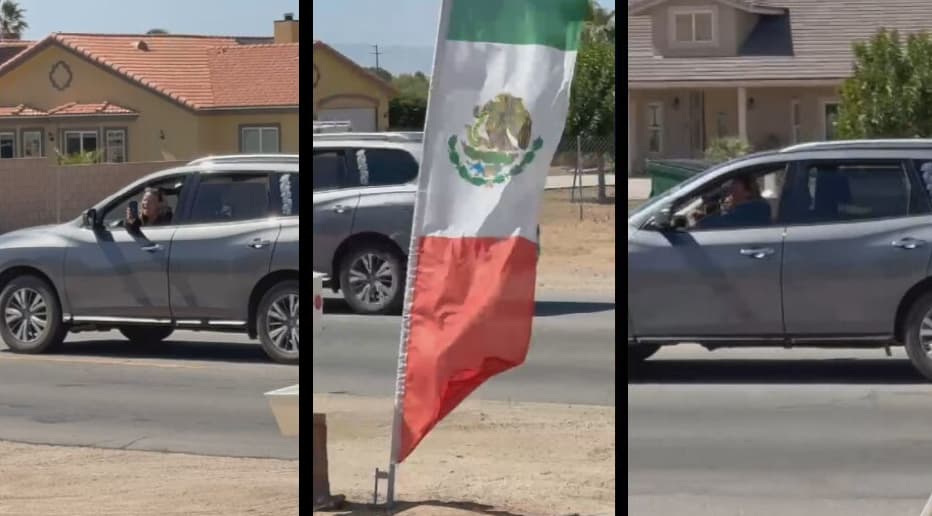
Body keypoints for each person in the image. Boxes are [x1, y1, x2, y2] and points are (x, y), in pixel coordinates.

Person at [695, 175, 771, 229]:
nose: (731, 190)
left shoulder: (748, 211)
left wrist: (702, 220)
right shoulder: (760, 208)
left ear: (748, 192)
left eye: (735, 186)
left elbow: (718, 223)